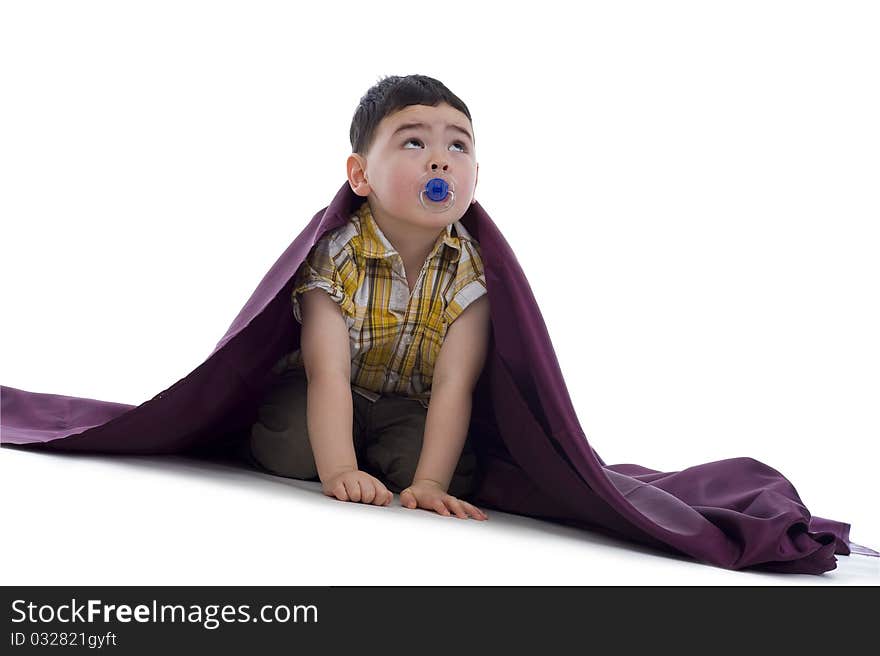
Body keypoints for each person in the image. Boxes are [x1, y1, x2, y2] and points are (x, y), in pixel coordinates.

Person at [246, 75, 490, 521]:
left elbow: (455, 384)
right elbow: (328, 371)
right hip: (327, 388)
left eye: (458, 147)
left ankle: (380, 454)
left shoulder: (471, 268)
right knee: (293, 449)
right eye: (414, 143)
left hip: (408, 403)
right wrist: (339, 470)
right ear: (361, 175)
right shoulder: (339, 252)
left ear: (477, 176)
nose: (441, 161)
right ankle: (349, 452)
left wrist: (431, 483)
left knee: (454, 471)